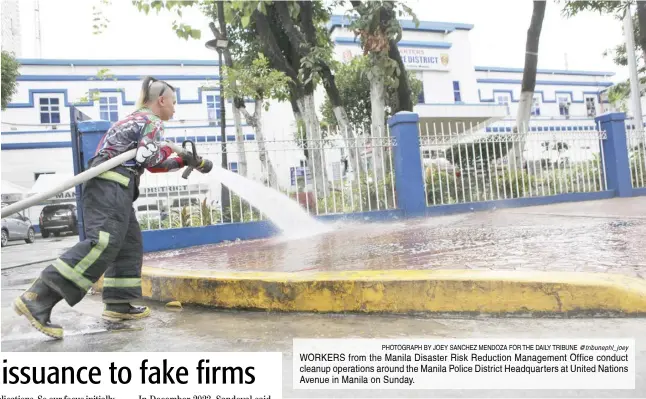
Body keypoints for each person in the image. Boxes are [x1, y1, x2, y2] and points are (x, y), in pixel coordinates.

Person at [13, 76, 213, 340]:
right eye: (174, 102)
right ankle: (37, 297)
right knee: (102, 243)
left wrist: (179, 159)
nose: (175, 108)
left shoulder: (134, 120)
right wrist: (180, 159)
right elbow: (148, 157)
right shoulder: (151, 122)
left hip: (115, 186)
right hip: (110, 185)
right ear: (161, 100)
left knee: (128, 244)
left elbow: (149, 162)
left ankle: (121, 304)